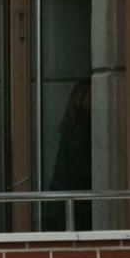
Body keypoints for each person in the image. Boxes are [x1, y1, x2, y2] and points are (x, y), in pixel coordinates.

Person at [46, 80, 92, 231]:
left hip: (60, 203)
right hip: (75, 206)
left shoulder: (70, 129)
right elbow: (79, 171)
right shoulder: (82, 132)